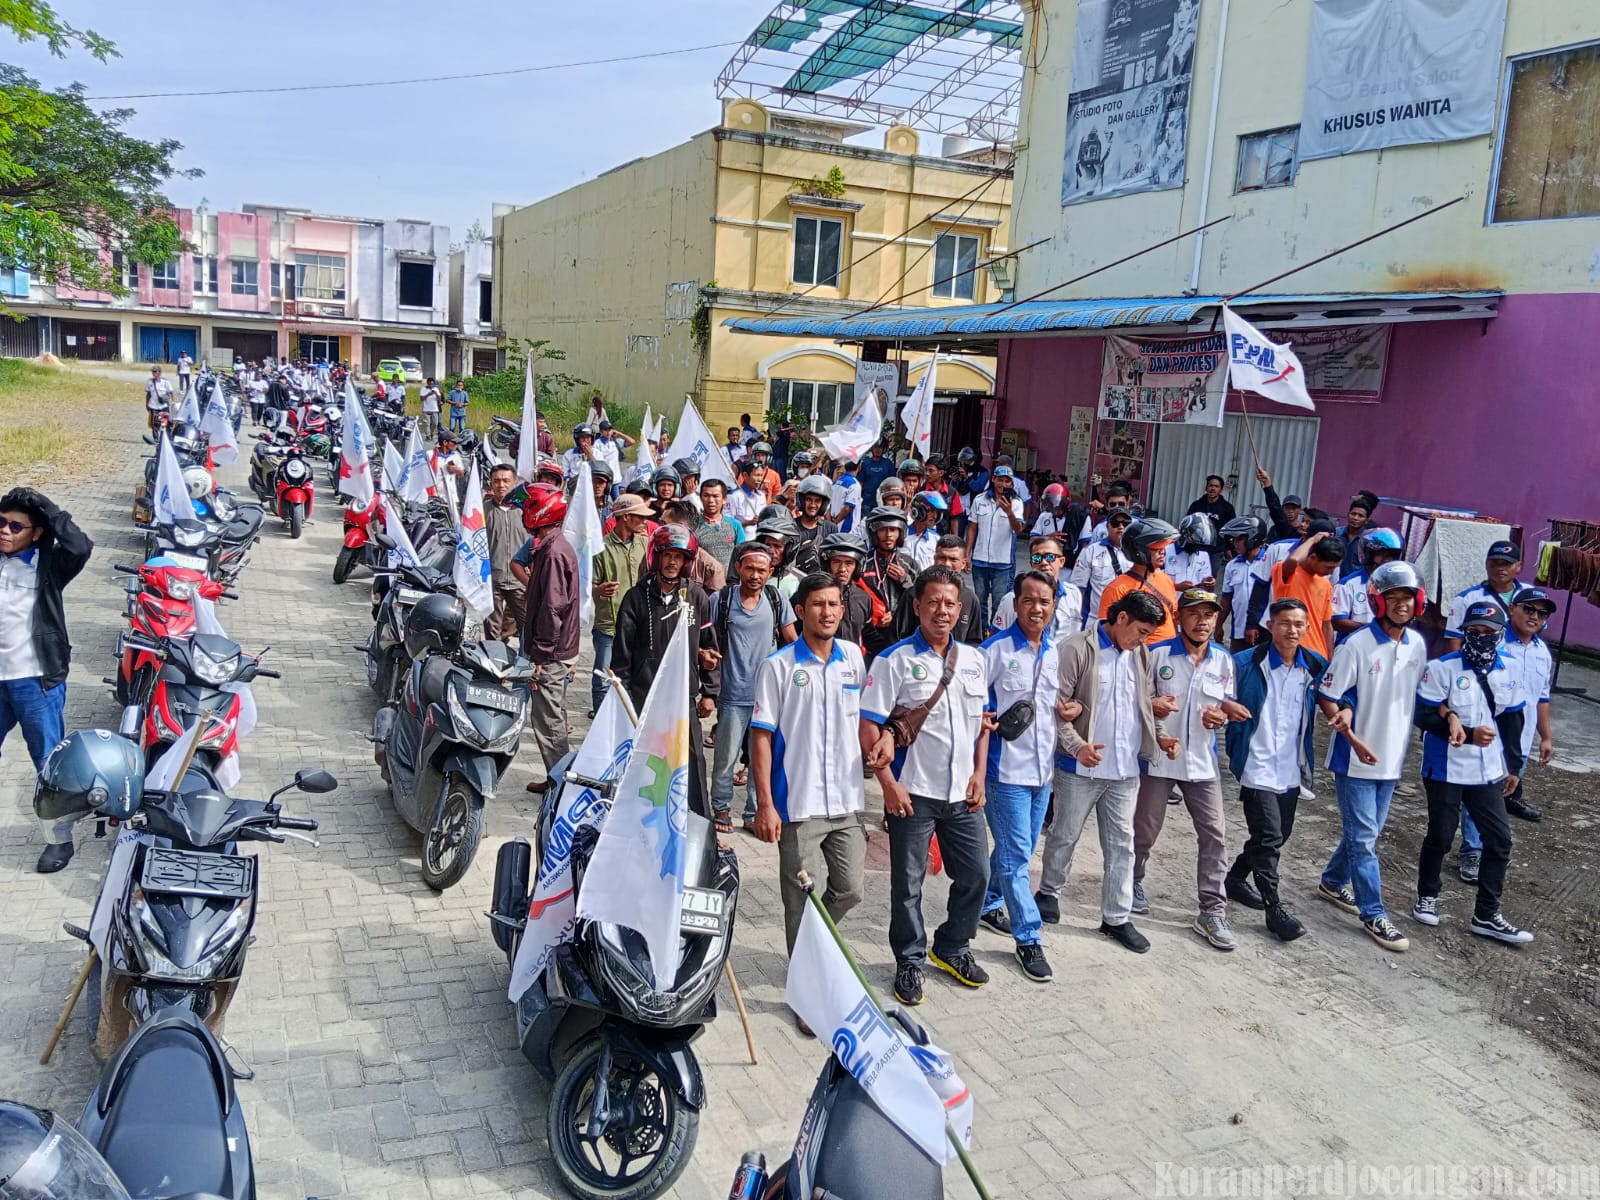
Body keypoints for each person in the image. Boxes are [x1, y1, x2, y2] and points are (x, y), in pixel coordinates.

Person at [861, 565, 992, 1006]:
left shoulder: (975, 661)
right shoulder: (894, 660)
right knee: (908, 886)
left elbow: (983, 724)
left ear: (961, 610)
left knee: (977, 875)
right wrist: (888, 784)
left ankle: (952, 946)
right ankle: (910, 961)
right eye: (933, 601)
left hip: (964, 795)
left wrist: (980, 774)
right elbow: (869, 725)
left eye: (950, 603)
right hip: (912, 794)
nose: (942, 610)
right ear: (916, 606)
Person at [1034, 590, 1174, 952]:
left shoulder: (1138, 653)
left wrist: (1159, 737)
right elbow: (1055, 706)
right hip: (1080, 766)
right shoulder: (1076, 648)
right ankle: (1049, 891)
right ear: (1121, 618)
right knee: (1065, 832)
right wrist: (1076, 745)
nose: (1144, 640)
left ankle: (1116, 917)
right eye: (1141, 630)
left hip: (1125, 769)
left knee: (1122, 845)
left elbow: (1143, 705)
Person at [750, 572, 868, 984]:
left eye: (834, 604)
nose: (828, 611)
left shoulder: (853, 658)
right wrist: (765, 804)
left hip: (847, 800)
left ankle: (818, 946)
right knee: (801, 900)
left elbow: (865, 723)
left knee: (852, 888)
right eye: (818, 604)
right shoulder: (778, 666)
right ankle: (804, 981)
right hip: (798, 804)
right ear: (800, 612)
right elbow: (761, 736)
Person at [1313, 562, 1430, 953]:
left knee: (1366, 835)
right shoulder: (1357, 645)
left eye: (1407, 598)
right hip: (1356, 759)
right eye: (1393, 597)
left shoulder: (1417, 646)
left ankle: (1332, 882)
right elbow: (1328, 693)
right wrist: (1342, 718)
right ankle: (1374, 912)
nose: (1401, 605)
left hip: (1392, 759)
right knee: (1364, 839)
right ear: (1378, 600)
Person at [1411, 601, 1533, 944]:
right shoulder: (1443, 669)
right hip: (1445, 768)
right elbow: (1422, 715)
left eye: (1488, 633)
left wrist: (1513, 767)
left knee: (1500, 840)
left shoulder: (1508, 670)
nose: (1479, 639)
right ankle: (1428, 895)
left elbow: (1513, 720)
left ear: (1500, 635)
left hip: (1488, 771)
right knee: (1442, 835)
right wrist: (1461, 725)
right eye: (1473, 632)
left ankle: (1487, 914)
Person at [1134, 589, 1246, 950]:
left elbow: (1223, 707)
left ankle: (1212, 911)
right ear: (1179, 617)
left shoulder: (1224, 662)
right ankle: (1132, 880)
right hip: (1160, 758)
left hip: (1201, 761)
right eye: (1194, 614)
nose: (1202, 621)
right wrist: (1152, 705)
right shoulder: (1157, 654)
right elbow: (1136, 701)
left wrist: (1221, 718)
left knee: (1215, 833)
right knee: (1144, 829)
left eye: (1209, 615)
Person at [1222, 598, 1329, 942]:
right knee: (1269, 838)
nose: (1292, 630)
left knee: (1277, 834)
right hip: (1256, 762)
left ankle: (1235, 878)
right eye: (1285, 623)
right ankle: (1274, 909)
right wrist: (1226, 708)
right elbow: (1214, 695)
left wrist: (1343, 713)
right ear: (1271, 625)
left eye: (1299, 624)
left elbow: (1335, 697)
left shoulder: (1314, 666)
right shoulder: (1244, 663)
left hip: (1290, 767)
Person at [0, 488, 93, 873]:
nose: (5, 531)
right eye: (1, 523)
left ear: (35, 532)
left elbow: (80, 545)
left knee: (49, 764)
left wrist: (47, 508)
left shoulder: (49, 565)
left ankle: (59, 839)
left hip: (36, 683)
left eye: (15, 526)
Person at [978, 570, 1063, 981]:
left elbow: (1053, 710)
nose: (1036, 608)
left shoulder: (1055, 654)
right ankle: (1028, 937)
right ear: (1015, 603)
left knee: (1020, 848)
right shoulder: (993, 651)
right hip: (1004, 772)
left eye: (1044, 601)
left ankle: (985, 902)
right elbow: (974, 705)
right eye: (1028, 600)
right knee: (1016, 857)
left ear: (1054, 606)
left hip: (1042, 773)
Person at [613, 524, 721, 815]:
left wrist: (709, 691)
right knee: (645, 762)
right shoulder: (636, 598)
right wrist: (621, 697)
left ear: (687, 561)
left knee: (693, 761)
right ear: (656, 557)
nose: (672, 562)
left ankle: (701, 827)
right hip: (643, 697)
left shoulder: (697, 597)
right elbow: (621, 653)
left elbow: (710, 646)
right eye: (667, 555)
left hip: (683, 699)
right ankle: (640, 818)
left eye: (679, 556)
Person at [708, 543, 797, 833]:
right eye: (750, 568)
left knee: (763, 759)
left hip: (767, 697)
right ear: (738, 568)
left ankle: (755, 810)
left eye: (762, 570)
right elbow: (707, 640)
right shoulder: (721, 600)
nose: (755, 575)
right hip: (732, 694)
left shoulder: (776, 598)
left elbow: (792, 640)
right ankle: (721, 808)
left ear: (770, 572)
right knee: (725, 758)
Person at [515, 484, 580, 795]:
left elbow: (552, 609)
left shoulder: (553, 552)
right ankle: (556, 776)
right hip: (554, 649)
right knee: (553, 715)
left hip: (551, 653)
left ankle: (561, 787)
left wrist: (539, 656)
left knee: (548, 720)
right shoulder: (550, 546)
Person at [590, 493, 651, 717]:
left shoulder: (645, 544)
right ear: (625, 517)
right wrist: (599, 590)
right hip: (608, 624)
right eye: (640, 516)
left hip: (639, 624)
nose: (644, 521)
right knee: (603, 680)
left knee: (633, 679)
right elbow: (587, 587)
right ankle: (599, 725)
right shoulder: (601, 548)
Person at [1499, 588, 1556, 823]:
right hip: (1493, 738)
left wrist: (1546, 737)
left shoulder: (1542, 652)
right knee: (1482, 800)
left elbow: (1541, 698)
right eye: (1529, 609)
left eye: (1542, 614)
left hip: (1521, 742)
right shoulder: (1496, 641)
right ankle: (1472, 851)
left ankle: (1489, 849)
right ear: (1512, 608)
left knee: (1504, 795)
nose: (1535, 617)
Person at [1096, 518, 1180, 644]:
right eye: (1156, 548)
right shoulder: (1118, 588)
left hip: (1167, 657)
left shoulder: (1165, 579)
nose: (1162, 552)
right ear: (1139, 551)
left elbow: (1173, 618)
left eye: (1164, 547)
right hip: (1138, 656)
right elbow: (1107, 634)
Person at [1269, 529, 1345, 662]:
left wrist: (1330, 657)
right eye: (1328, 568)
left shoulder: (1325, 584)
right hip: (1289, 653)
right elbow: (1293, 559)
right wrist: (1312, 540)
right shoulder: (1287, 573)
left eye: (1334, 568)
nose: (1330, 572)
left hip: (1317, 656)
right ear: (1313, 557)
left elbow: (1326, 625)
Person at [966, 465, 1027, 628]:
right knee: (980, 599)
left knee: (999, 601)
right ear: (993, 479)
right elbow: (972, 527)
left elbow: (1019, 529)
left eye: (1007, 481)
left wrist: (1009, 513)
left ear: (1011, 483)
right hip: (979, 559)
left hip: (1002, 562)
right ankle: (980, 631)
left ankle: (995, 631)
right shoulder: (980, 500)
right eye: (1000, 480)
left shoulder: (1016, 503)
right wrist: (966, 554)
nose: (1003, 484)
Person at [989, 534, 1082, 639]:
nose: (1043, 562)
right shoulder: (1013, 599)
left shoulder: (1073, 594)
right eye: (1037, 558)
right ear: (1031, 563)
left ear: (1061, 561)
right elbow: (994, 639)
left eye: (1050, 557)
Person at [857, 506, 920, 659]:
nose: (888, 535)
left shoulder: (909, 565)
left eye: (893, 529)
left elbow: (921, 600)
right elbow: (854, 597)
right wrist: (873, 617)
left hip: (902, 638)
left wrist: (905, 581)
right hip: (869, 636)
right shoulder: (862, 563)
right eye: (883, 529)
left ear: (901, 532)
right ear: (874, 532)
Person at [1443, 540, 1524, 652]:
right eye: (1495, 563)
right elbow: (1454, 641)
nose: (1500, 568)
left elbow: (1538, 629)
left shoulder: (1529, 594)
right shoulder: (1466, 599)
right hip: (1480, 664)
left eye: (1507, 563)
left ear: (1519, 566)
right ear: (1486, 564)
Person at [1331, 527, 1403, 639]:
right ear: (1369, 554)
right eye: (1382, 554)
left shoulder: (1397, 585)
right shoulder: (1347, 584)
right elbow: (1336, 621)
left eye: (1391, 555)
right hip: (1352, 648)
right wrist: (1372, 629)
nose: (1387, 559)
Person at [484, 465, 527, 646]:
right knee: (491, 629)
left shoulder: (526, 509)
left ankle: (526, 666)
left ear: (514, 483)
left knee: (527, 626)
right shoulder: (483, 510)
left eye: (506, 481)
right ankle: (493, 666)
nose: (501, 485)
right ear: (491, 484)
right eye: (496, 481)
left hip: (520, 579)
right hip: (492, 578)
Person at [1069, 510, 1132, 628]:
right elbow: (1078, 590)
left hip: (1127, 623)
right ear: (1107, 526)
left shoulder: (1138, 553)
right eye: (1115, 523)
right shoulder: (1090, 551)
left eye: (1126, 523)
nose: (1121, 527)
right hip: (1094, 622)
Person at [1218, 516, 1268, 650]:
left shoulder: (1270, 562)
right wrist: (1219, 625)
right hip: (1239, 633)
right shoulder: (1232, 565)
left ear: (1253, 538)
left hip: (1265, 633)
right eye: (1234, 540)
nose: (1235, 544)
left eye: (1239, 539)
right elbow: (1226, 599)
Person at [820, 533, 874, 645]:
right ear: (827, 564)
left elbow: (868, 635)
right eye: (836, 562)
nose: (842, 569)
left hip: (851, 661)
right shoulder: (811, 594)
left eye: (849, 563)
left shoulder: (864, 598)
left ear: (857, 567)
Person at [694, 478, 745, 573]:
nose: (710, 500)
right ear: (700, 498)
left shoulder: (735, 525)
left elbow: (741, 555)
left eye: (715, 496)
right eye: (706, 495)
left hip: (729, 583)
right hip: (702, 584)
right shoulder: (693, 526)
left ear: (724, 499)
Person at [1166, 514, 1217, 591]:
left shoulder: (1203, 554)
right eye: (1195, 545)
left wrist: (1208, 582)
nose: (1197, 549)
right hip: (1169, 600)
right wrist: (1176, 587)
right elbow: (1153, 583)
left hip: (1192, 601)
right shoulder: (1165, 551)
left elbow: (1204, 579)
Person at [1337, 490, 1382, 575]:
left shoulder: (1369, 540)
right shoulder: (1336, 533)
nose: (1355, 518)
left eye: (1360, 516)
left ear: (1367, 520)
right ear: (1348, 514)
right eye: (1353, 514)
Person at [725, 458, 769, 535]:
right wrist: (748, 522)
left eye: (761, 475)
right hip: (741, 542)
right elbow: (727, 522)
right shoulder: (734, 496)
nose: (759, 479)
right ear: (745, 475)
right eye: (756, 475)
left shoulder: (761, 496)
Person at [905, 491, 945, 569]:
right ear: (918, 510)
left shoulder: (936, 539)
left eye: (937, 512)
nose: (935, 516)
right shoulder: (902, 534)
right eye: (931, 511)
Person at [858, 443, 896, 514]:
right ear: (872, 448)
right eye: (875, 447)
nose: (877, 450)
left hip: (883, 502)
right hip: (867, 502)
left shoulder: (888, 464)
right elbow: (860, 483)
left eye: (880, 448)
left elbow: (892, 483)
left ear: (883, 449)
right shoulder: (865, 464)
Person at [828, 457, 862, 534]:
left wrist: (831, 523)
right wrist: (836, 522)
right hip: (847, 530)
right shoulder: (854, 485)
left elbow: (828, 506)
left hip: (833, 528)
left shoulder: (836, 482)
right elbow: (847, 508)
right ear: (859, 466)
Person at [417, 377, 441, 442]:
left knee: (435, 423)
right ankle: (428, 436)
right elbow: (422, 399)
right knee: (427, 423)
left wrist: (435, 393)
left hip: (434, 409)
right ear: (427, 383)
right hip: (426, 409)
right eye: (430, 384)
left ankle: (431, 433)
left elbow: (439, 399)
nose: (431, 385)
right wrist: (428, 394)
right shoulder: (423, 389)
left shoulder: (436, 389)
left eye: (432, 384)